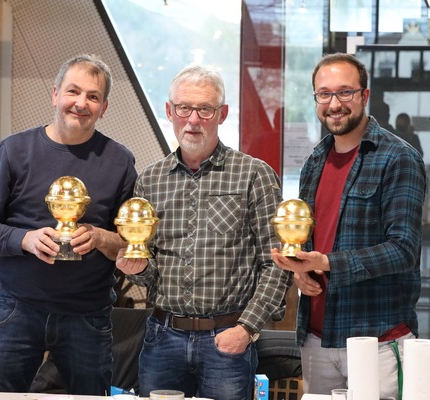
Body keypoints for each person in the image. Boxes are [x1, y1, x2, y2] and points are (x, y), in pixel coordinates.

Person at [116, 65, 292, 400]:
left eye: (205, 110)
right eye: (184, 108)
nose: (193, 120)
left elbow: (277, 262)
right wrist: (136, 268)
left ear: (222, 114)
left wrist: (247, 328)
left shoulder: (254, 175)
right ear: (170, 111)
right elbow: (149, 271)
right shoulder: (150, 180)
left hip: (227, 340)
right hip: (162, 339)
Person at [271, 53, 426, 399]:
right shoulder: (315, 161)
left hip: (377, 341)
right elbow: (313, 241)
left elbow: (403, 250)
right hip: (315, 338)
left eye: (345, 92)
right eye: (324, 94)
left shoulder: (398, 158)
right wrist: (301, 271)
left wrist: (326, 262)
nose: (334, 104)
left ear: (364, 95)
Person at [0, 54, 137, 395]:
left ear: (104, 107)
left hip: (88, 314)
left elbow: (131, 243)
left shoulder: (120, 161)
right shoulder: (13, 151)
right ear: (55, 94)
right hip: (16, 309)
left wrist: (100, 237)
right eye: (73, 91)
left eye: (93, 96)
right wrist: (24, 239)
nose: (81, 103)